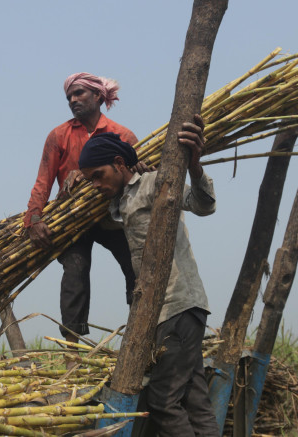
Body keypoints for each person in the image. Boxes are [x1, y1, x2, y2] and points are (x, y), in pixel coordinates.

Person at [78, 115, 219, 437]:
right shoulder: (120, 201)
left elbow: (204, 205)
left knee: (163, 401)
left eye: (98, 176)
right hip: (168, 311)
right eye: (91, 180)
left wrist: (195, 167)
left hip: (178, 306)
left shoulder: (155, 182)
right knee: (195, 399)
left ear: (118, 163)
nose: (96, 185)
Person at [25, 72, 137, 343]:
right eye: (69, 97)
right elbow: (43, 182)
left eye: (79, 94)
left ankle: (138, 335)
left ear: (98, 96)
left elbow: (135, 178)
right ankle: (71, 347)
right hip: (73, 220)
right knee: (75, 270)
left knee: (136, 266)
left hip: (111, 215)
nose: (72, 100)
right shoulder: (59, 135)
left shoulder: (122, 135)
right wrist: (34, 219)